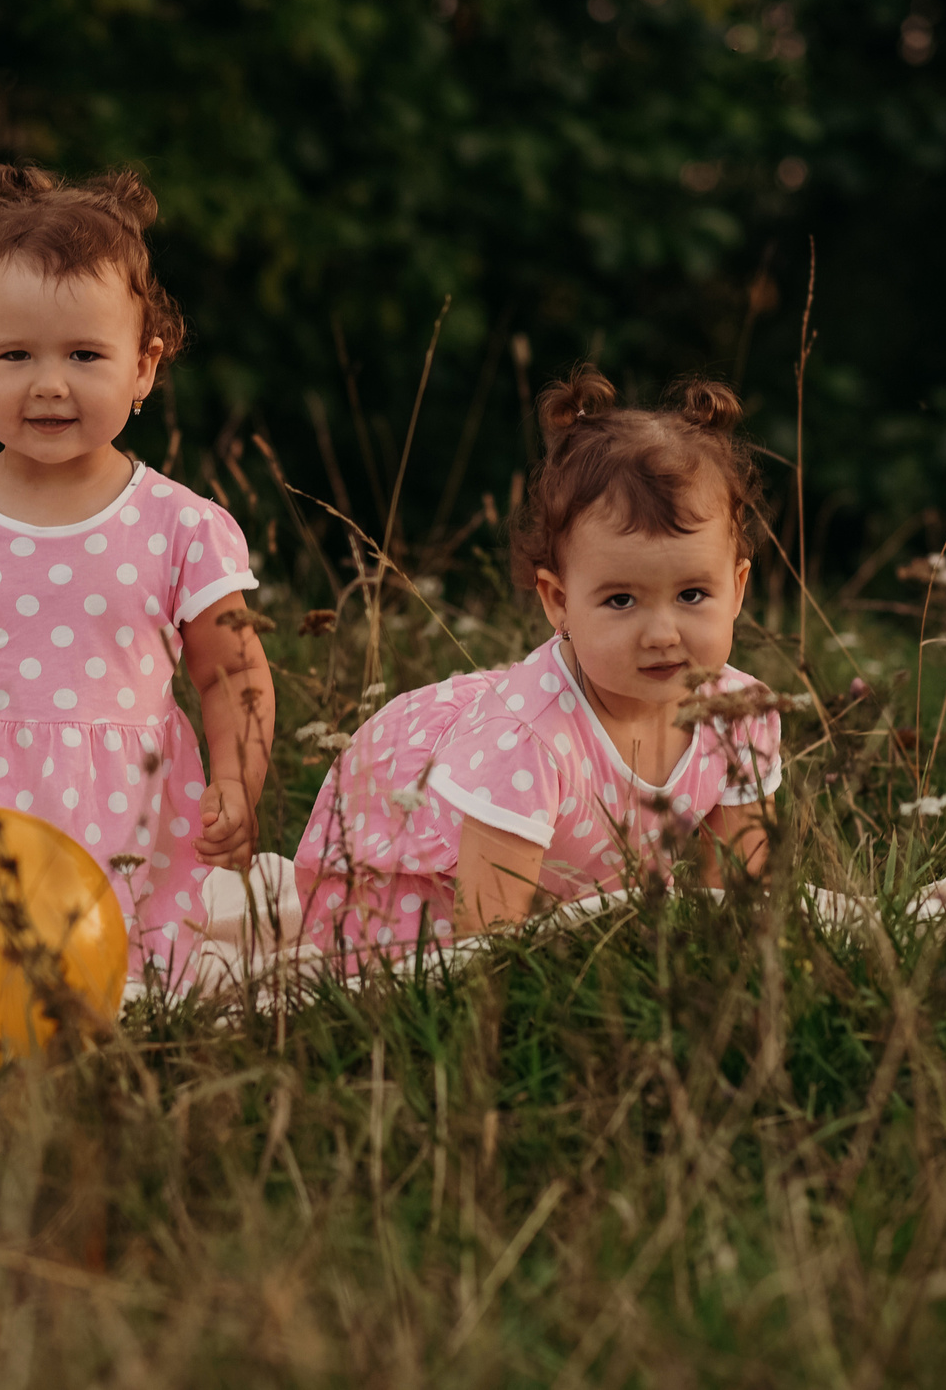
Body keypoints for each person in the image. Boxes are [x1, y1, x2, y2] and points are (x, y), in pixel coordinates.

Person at [0, 164, 276, 981]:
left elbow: (232, 672)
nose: (50, 383)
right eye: (17, 354)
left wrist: (238, 782)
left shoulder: (182, 527)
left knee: (132, 985)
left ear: (144, 366)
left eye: (86, 354)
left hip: (132, 830)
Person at [292, 367, 781, 960]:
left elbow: (736, 897)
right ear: (559, 601)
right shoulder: (526, 741)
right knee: (420, 965)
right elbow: (485, 945)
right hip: (415, 893)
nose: (662, 633)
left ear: (738, 588)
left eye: (692, 595)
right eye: (621, 600)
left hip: (565, 889)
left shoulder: (738, 715)